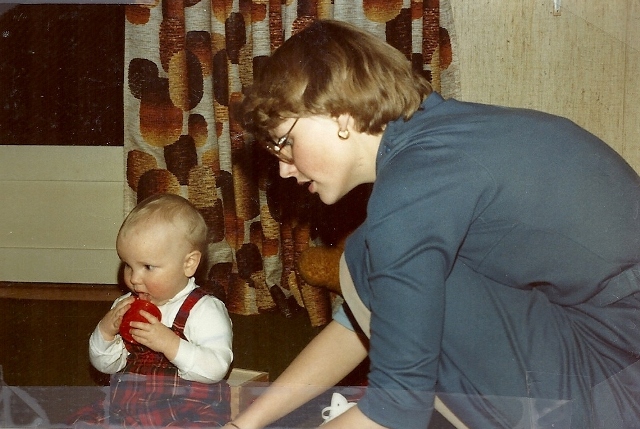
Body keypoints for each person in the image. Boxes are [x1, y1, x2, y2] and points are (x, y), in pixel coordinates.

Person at [224, 19, 640, 429]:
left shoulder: (412, 192)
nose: (284, 170)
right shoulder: (439, 138)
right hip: (612, 343)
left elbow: (395, 409)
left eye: (285, 143)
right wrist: (244, 425)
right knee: (372, 260)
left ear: (339, 114)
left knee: (366, 256)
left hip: (618, 377)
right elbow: (362, 322)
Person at [72, 193, 233, 428]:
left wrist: (170, 344)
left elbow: (216, 368)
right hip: (128, 408)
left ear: (188, 264)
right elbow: (107, 366)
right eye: (128, 265)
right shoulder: (126, 304)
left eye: (147, 267)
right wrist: (105, 332)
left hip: (186, 410)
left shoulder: (204, 310)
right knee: (83, 422)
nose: (134, 279)